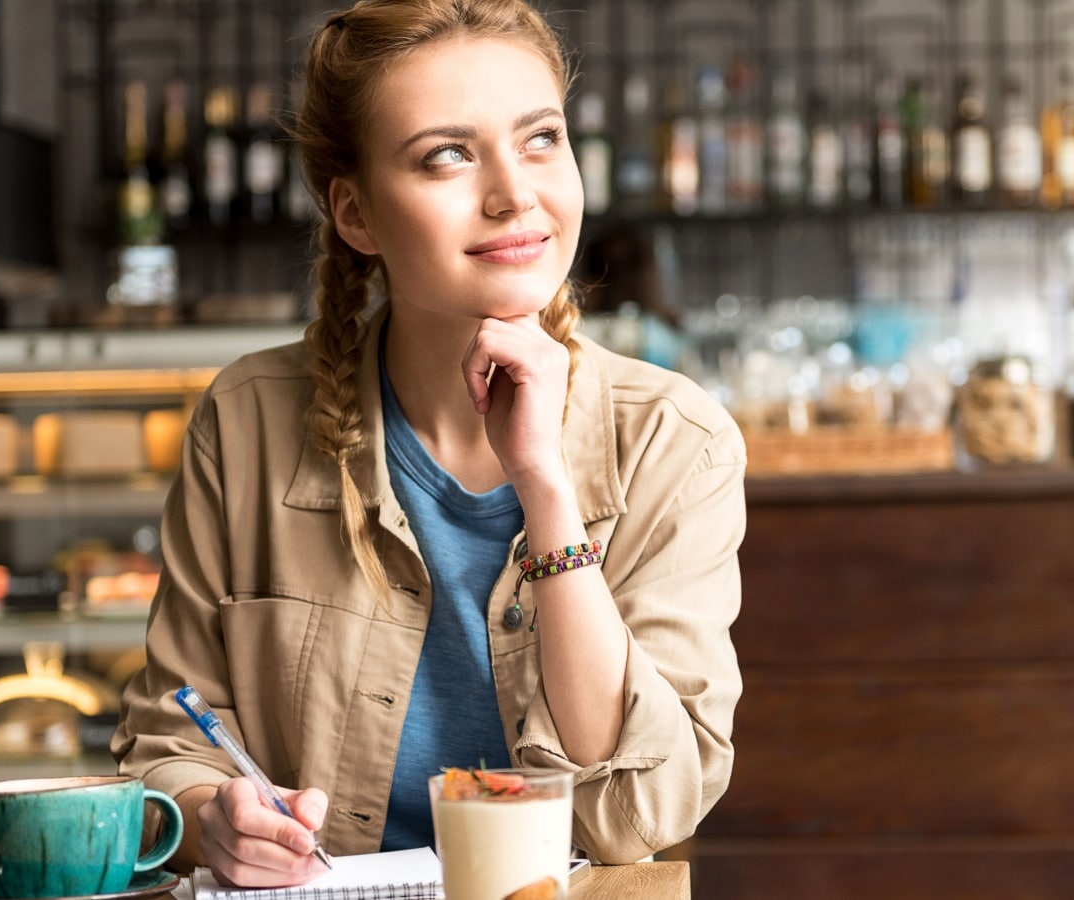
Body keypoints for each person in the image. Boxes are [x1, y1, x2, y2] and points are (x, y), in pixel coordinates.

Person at [111, 0, 745, 887]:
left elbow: (639, 807)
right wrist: (216, 815)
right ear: (357, 214)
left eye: (540, 139)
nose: (514, 193)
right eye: (446, 154)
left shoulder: (675, 442)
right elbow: (167, 740)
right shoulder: (247, 419)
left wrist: (544, 486)